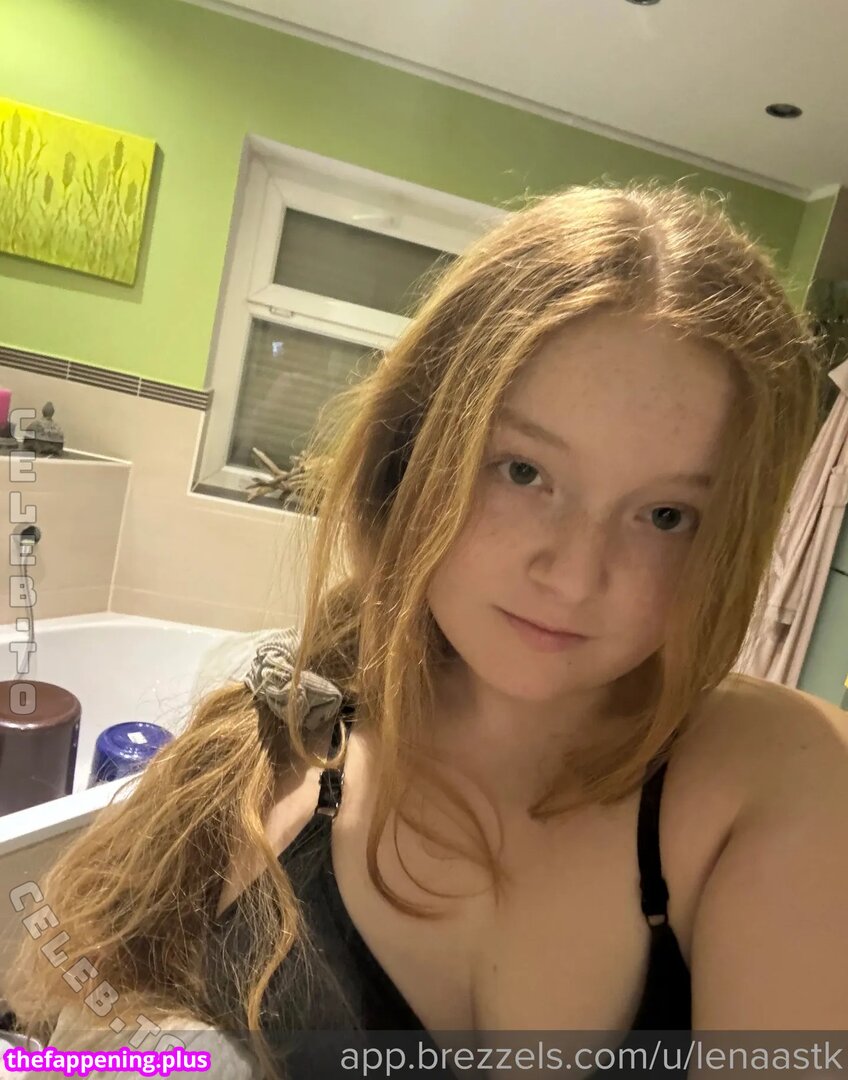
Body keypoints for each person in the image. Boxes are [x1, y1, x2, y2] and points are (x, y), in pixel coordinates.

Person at [6, 182, 848, 1079]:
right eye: (523, 471)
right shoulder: (289, 757)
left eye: (666, 516)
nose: (574, 575)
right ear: (412, 458)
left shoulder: (775, 779)